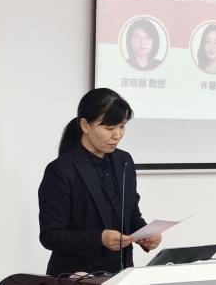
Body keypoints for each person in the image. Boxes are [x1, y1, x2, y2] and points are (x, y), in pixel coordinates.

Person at [38, 88, 161, 277]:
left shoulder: (124, 161)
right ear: (85, 125)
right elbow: (50, 235)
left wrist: (144, 234)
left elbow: (130, 214)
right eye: (109, 128)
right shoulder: (61, 170)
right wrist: (99, 239)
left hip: (121, 274)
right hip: (75, 276)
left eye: (122, 126)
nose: (117, 135)